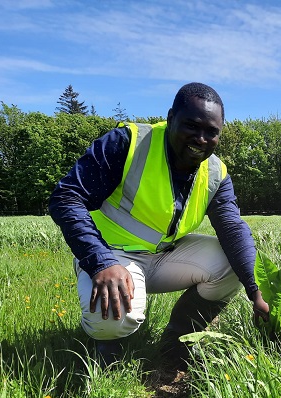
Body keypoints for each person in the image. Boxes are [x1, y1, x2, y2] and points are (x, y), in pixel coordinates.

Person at [49, 82, 269, 370]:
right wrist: (100, 261)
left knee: (231, 263)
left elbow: (232, 227)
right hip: (113, 257)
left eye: (211, 132)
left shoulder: (216, 172)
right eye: (191, 125)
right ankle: (108, 357)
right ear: (170, 117)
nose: (201, 138)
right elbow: (66, 197)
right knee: (114, 319)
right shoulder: (128, 142)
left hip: (165, 256)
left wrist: (256, 291)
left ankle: (176, 344)